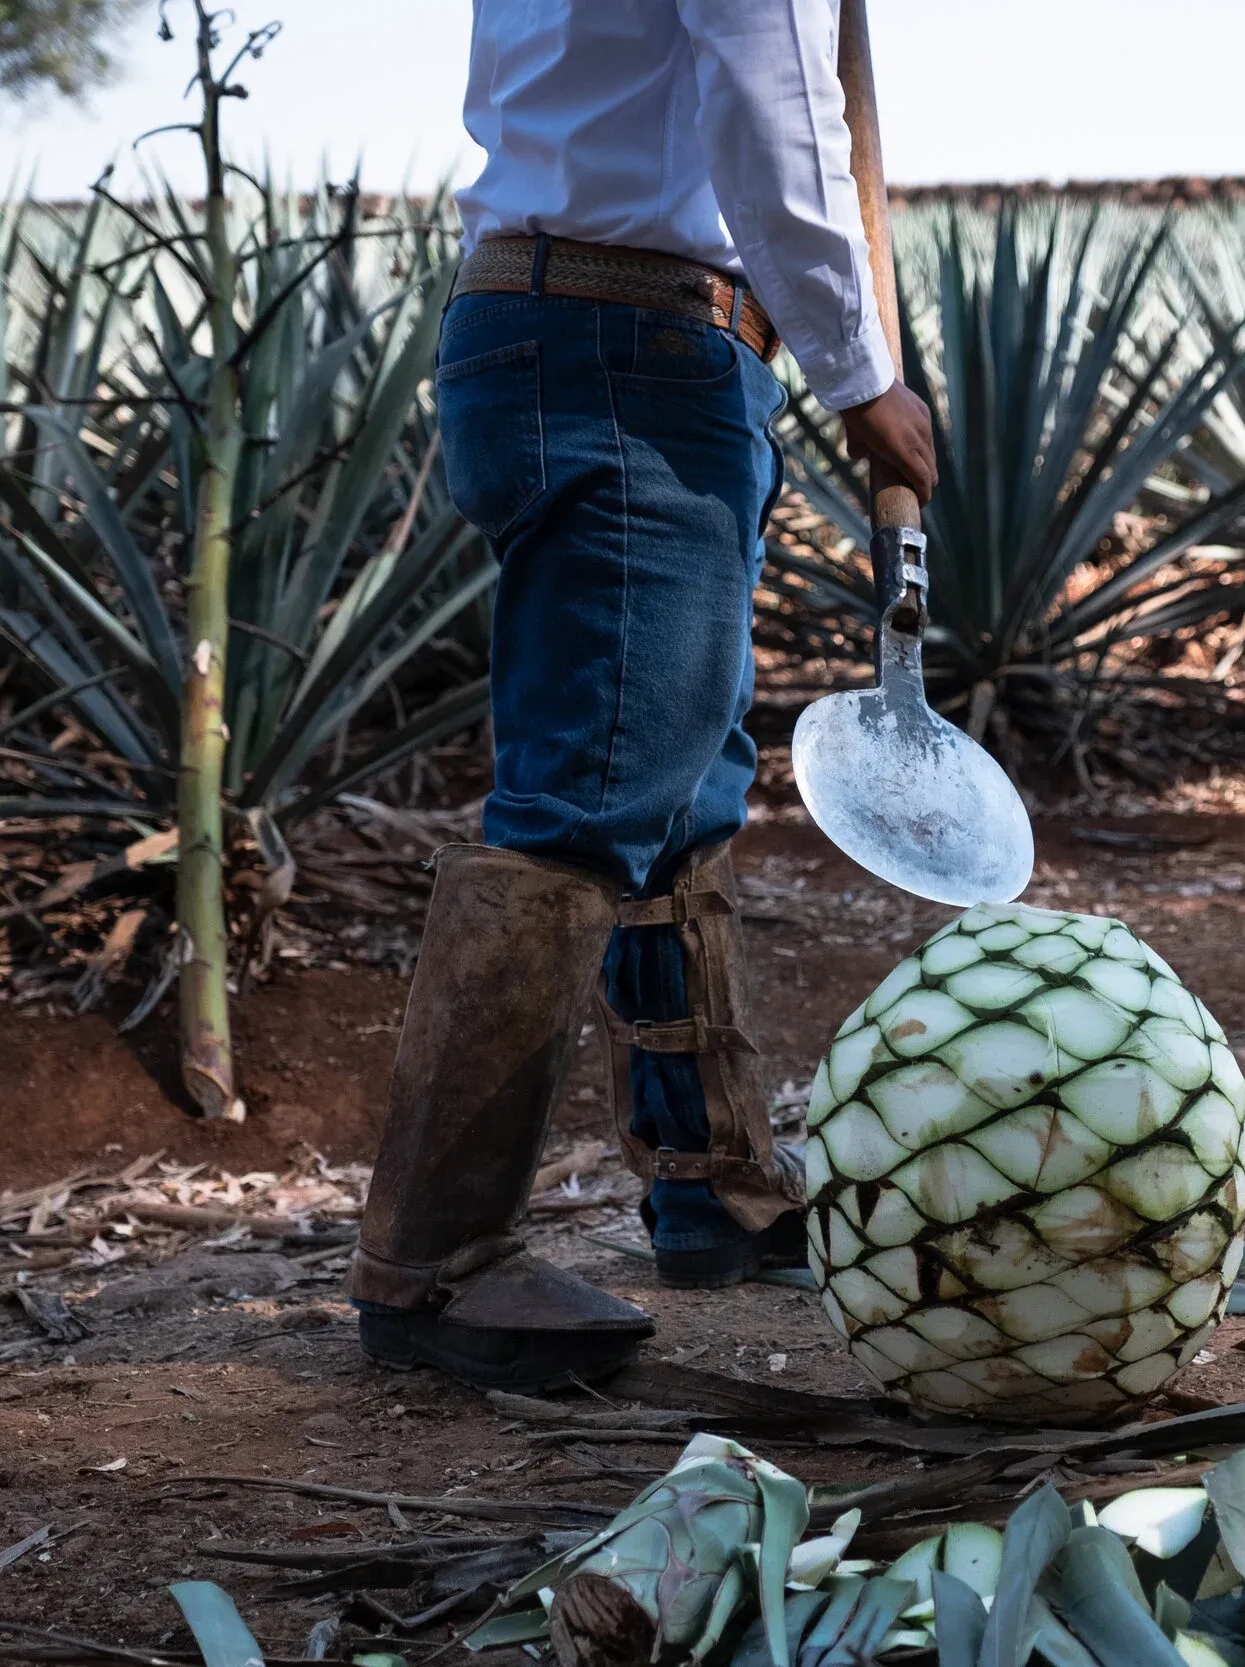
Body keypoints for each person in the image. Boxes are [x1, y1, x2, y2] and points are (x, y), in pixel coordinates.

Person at [346, 0, 938, 1393]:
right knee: (592, 790)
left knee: (671, 777)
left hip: (572, 326)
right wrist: (865, 378)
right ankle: (435, 1260)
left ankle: (716, 1188)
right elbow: (770, 97)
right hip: (625, 340)